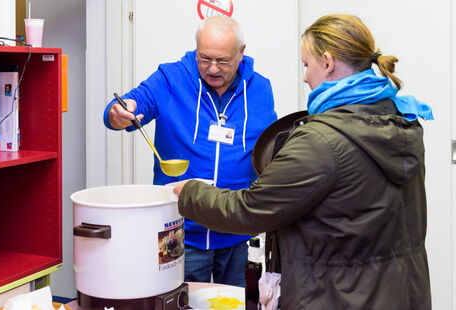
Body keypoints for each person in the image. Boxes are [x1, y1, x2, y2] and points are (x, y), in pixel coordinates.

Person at [173, 14, 433, 309]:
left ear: (327, 62)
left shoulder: (322, 141)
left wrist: (190, 194)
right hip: (399, 295)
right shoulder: (401, 123)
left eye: (306, 65)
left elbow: (252, 210)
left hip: (337, 298)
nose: (305, 77)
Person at [103, 15, 277, 287]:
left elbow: (269, 147)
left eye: (223, 61)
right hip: (179, 232)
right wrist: (119, 112)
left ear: (241, 53)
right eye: (204, 58)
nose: (213, 68)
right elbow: (134, 103)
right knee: (178, 302)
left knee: (236, 304)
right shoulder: (171, 78)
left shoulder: (260, 88)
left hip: (238, 232)